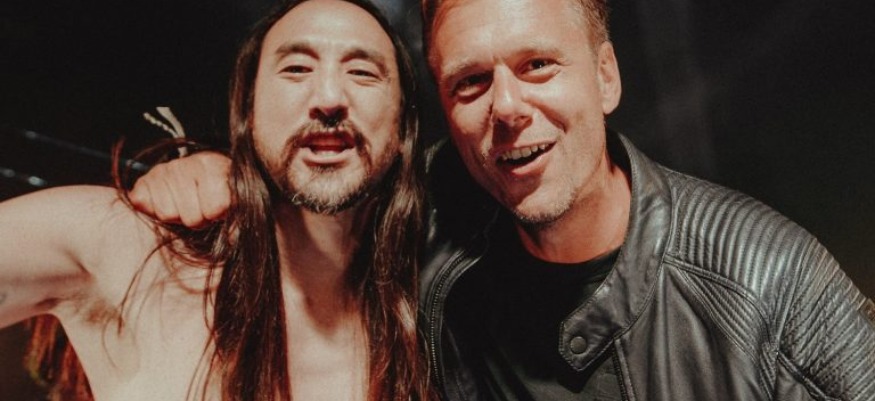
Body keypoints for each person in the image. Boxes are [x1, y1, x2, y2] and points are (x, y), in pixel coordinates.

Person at [132, 0, 875, 399]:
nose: (508, 107)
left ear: (605, 76)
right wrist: (206, 170)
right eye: (470, 82)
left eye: (538, 64)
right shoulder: (438, 214)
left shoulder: (764, 280)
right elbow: (326, 169)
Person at [0, 0, 434, 400]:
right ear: (248, 114)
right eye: (296, 69)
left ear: (403, 127)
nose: (329, 98)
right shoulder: (130, 248)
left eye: (362, 73)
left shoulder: (436, 315)